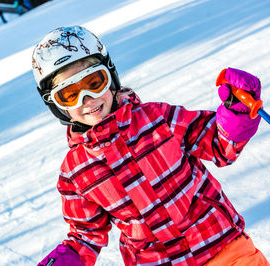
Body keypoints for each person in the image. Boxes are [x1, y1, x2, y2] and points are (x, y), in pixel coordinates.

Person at [32, 26, 269, 266]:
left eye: (94, 82)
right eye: (70, 94)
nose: (88, 99)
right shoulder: (75, 172)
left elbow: (219, 145)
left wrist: (236, 112)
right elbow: (85, 236)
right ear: (56, 105)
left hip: (223, 250)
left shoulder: (157, 118)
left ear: (111, 76)